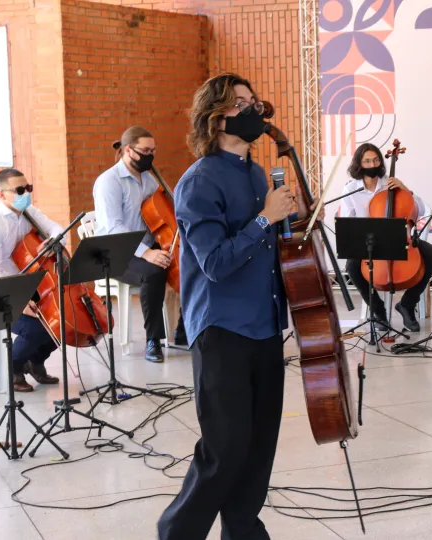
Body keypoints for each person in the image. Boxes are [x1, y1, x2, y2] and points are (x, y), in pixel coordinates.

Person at [157, 72, 311, 540]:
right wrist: (266, 216)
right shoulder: (198, 182)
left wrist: (292, 228)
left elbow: (270, 246)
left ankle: (244, 533)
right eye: (240, 104)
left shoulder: (258, 173)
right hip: (222, 329)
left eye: (253, 101)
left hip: (265, 325)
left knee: (259, 447)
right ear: (214, 117)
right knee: (224, 449)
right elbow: (216, 264)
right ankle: (176, 534)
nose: (253, 110)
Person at [93, 126, 186, 363]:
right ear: (128, 150)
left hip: (144, 247)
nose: (150, 156)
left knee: (190, 261)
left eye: (153, 151)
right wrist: (147, 254)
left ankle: (184, 329)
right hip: (115, 253)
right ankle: (153, 340)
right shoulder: (109, 182)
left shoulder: (148, 180)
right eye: (145, 150)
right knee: (154, 272)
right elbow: (114, 228)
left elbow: (163, 214)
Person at [0, 169, 62, 392]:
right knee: (36, 328)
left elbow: (57, 229)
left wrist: (52, 240)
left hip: (24, 285)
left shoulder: (28, 212)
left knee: (62, 318)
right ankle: (12, 368)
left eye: (28, 189)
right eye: (20, 190)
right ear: (1, 194)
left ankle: (35, 361)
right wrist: (20, 304)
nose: (26, 194)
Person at [338, 142, 432, 332]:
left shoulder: (391, 183)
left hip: (397, 240)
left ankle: (407, 304)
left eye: (376, 159)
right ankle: (378, 311)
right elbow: (346, 221)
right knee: (352, 266)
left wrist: (405, 189)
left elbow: (420, 209)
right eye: (367, 161)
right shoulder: (351, 189)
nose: (372, 164)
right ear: (359, 164)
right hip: (369, 243)